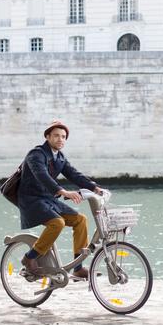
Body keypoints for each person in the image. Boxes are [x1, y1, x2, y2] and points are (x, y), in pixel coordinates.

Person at [18, 120, 103, 280]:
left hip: (48, 199)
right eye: (56, 135)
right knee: (57, 223)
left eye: (63, 137)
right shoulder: (36, 154)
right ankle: (29, 257)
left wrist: (95, 188)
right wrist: (62, 191)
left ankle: (77, 269)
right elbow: (41, 175)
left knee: (81, 220)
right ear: (48, 137)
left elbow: (73, 174)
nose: (60, 139)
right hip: (31, 200)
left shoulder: (60, 157)